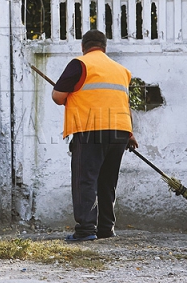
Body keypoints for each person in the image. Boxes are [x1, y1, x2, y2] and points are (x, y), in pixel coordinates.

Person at [51, 29, 138, 242]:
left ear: (83, 47)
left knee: (86, 180)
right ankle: (106, 229)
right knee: (107, 182)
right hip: (120, 131)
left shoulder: (80, 64)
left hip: (90, 129)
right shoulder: (122, 71)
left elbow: (58, 97)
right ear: (105, 47)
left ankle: (86, 230)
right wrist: (130, 134)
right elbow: (122, 103)